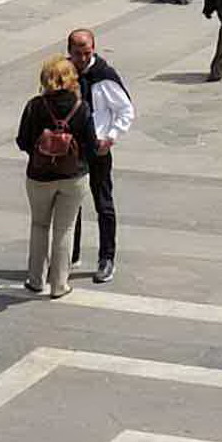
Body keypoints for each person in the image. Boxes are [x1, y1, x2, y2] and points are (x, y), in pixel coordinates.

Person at [15, 54, 93, 297]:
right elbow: (90, 143)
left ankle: (36, 279)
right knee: (65, 228)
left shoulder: (35, 106)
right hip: (73, 176)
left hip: (39, 176)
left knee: (39, 225)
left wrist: (41, 154)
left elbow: (23, 141)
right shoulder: (81, 107)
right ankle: (60, 285)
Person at [67, 26, 131, 284]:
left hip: (99, 147)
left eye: (86, 53)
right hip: (71, 149)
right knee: (70, 203)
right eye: (77, 53)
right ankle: (70, 253)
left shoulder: (105, 76)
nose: (82, 59)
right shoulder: (63, 73)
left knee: (103, 203)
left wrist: (111, 136)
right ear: (69, 52)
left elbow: (125, 110)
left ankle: (106, 258)